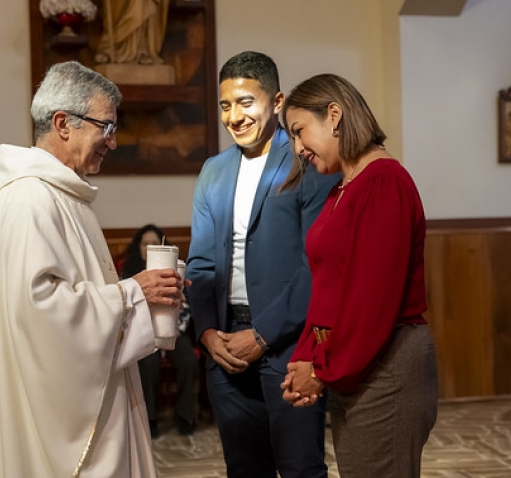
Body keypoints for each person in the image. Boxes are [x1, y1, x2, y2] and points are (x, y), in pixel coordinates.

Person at [0, 61, 183, 478]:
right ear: (63, 123)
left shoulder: (63, 195)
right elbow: (42, 314)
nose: (114, 142)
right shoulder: (30, 199)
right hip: (59, 419)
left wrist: (145, 291)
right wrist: (133, 293)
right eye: (106, 127)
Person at [185, 51, 340, 478]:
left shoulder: (307, 163)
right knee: (244, 468)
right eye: (225, 105)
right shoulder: (212, 171)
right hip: (224, 344)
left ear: (276, 102)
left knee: (299, 467)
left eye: (246, 103)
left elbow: (318, 265)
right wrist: (206, 332)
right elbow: (198, 262)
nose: (234, 116)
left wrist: (262, 334)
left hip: (289, 343)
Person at [279, 74, 439, 477]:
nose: (298, 149)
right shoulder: (342, 189)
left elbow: (370, 301)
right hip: (357, 361)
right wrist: (307, 357)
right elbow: (328, 289)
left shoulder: (384, 181)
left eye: (300, 132)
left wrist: (323, 370)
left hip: (387, 364)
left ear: (334, 114)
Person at [120, 224, 198, 439]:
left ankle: (185, 415)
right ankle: (150, 418)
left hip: (176, 330)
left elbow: (185, 303)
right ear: (139, 247)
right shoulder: (129, 274)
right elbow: (124, 307)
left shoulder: (175, 270)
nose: (150, 247)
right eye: (146, 244)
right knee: (147, 364)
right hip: (143, 332)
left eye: (155, 244)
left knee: (188, 361)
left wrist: (174, 329)